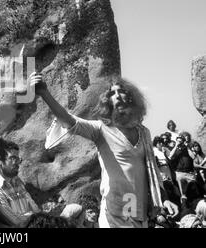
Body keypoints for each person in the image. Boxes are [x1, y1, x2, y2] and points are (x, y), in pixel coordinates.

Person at [29, 72, 179, 228]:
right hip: (115, 211)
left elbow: (152, 171)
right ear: (108, 101)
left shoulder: (144, 132)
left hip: (138, 209)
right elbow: (68, 120)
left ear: (131, 98)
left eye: (122, 91)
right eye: (113, 93)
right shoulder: (101, 130)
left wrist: (164, 199)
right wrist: (44, 93)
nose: (118, 95)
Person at [0, 141, 40, 227]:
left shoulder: (18, 183)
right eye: (12, 158)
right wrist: (33, 216)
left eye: (18, 159)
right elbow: (15, 222)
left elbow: (36, 210)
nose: (17, 163)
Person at [168, 135, 196, 203]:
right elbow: (170, 157)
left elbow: (193, 157)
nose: (179, 141)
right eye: (178, 140)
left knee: (194, 192)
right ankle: (184, 207)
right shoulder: (175, 149)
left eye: (181, 140)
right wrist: (176, 146)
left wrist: (187, 147)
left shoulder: (188, 148)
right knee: (183, 195)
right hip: (180, 173)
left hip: (190, 173)